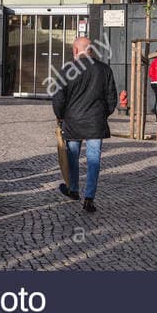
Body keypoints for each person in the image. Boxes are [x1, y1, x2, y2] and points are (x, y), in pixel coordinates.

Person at [52, 36, 117, 213]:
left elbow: (58, 98)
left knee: (72, 157)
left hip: (73, 122)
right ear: (91, 50)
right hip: (95, 122)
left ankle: (73, 189)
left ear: (75, 50)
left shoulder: (67, 70)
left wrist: (60, 116)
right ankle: (89, 197)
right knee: (93, 159)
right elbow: (112, 98)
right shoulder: (104, 69)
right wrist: (103, 115)